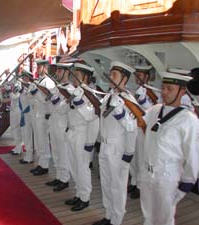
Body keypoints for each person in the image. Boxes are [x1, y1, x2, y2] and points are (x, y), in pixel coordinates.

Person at [139, 71, 199, 225]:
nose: (164, 92)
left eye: (169, 88)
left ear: (182, 91)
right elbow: (138, 123)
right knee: (148, 216)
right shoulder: (154, 110)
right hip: (147, 174)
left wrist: (187, 183)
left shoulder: (188, 119)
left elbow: (193, 153)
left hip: (166, 178)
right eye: (163, 87)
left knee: (164, 219)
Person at [93, 61, 138, 225]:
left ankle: (117, 220)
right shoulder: (109, 97)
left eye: (114, 75)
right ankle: (108, 215)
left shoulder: (129, 100)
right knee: (106, 183)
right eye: (110, 74)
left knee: (117, 186)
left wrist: (129, 153)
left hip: (118, 148)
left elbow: (133, 127)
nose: (110, 78)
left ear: (124, 79)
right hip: (105, 146)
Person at [64, 63, 100, 211]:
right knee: (73, 166)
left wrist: (90, 142)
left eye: (77, 75)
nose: (74, 77)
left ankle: (85, 198)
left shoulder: (90, 94)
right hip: (72, 132)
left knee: (82, 167)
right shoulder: (76, 91)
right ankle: (78, 193)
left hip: (82, 135)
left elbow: (92, 117)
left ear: (85, 77)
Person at [128, 64, 159, 199]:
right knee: (133, 156)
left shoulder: (154, 92)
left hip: (143, 129)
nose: (138, 78)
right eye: (137, 75)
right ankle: (134, 181)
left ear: (147, 76)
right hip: (133, 127)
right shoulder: (133, 90)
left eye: (140, 75)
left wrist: (143, 100)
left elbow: (153, 111)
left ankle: (141, 186)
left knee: (142, 158)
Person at [46, 63, 72, 192]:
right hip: (53, 122)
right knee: (55, 152)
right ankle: (58, 176)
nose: (57, 73)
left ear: (66, 72)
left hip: (62, 125)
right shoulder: (57, 88)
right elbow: (49, 105)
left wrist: (55, 100)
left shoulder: (70, 89)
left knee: (63, 154)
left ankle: (64, 179)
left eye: (60, 70)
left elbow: (63, 109)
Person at [29, 59, 55, 176]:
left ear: (45, 67)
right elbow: (31, 98)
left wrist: (35, 94)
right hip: (36, 113)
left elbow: (48, 98)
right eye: (37, 66)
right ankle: (40, 163)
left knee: (43, 140)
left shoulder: (48, 82)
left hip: (43, 114)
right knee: (38, 141)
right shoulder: (39, 81)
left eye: (39, 67)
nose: (37, 69)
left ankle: (44, 165)